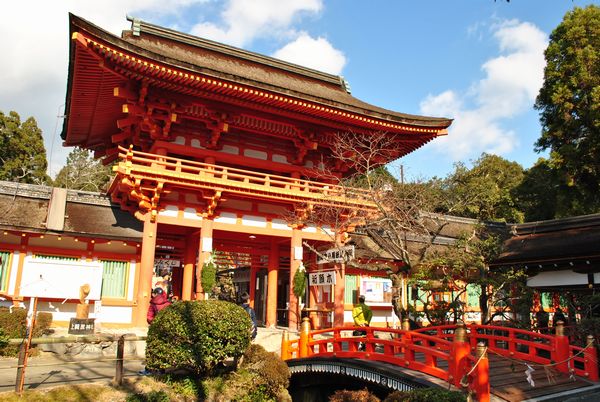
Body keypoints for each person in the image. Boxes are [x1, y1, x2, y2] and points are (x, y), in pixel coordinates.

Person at [139, 288, 172, 375]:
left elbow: (149, 317)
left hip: (155, 328)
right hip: (166, 329)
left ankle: (149, 369)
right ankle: (162, 370)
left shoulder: (153, 304)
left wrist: (155, 322)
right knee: (163, 348)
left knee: (151, 348)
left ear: (155, 294)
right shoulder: (168, 303)